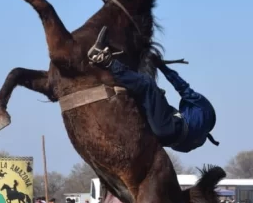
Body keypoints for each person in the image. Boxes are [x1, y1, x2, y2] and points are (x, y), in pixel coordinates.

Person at [87, 26, 219, 153]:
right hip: (161, 138)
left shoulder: (203, 107)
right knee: (150, 97)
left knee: (147, 84)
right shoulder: (199, 139)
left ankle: (106, 60)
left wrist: (162, 67)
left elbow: (181, 86)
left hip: (170, 128)